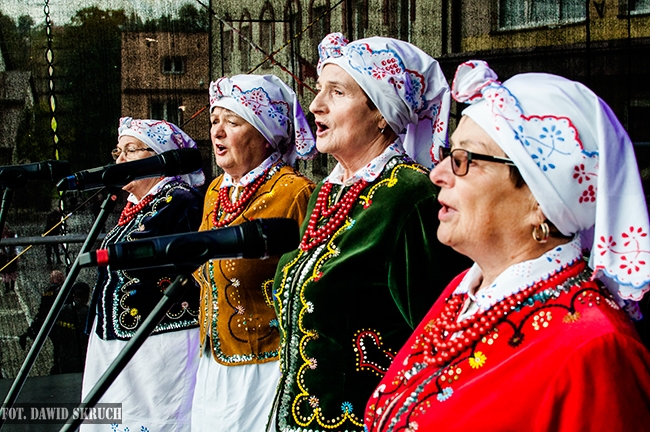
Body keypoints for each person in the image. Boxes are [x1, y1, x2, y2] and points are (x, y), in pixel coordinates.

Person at [365, 61, 650, 431]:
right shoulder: (465, 290)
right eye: (450, 154)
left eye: (464, 159)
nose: (437, 174)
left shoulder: (597, 349)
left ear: (540, 200)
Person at [271, 33, 471, 431]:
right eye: (319, 90)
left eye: (337, 92)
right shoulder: (327, 192)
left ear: (381, 112)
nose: (316, 104)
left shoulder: (411, 196)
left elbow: (439, 341)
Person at [191, 74, 316, 432]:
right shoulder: (216, 190)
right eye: (215, 120)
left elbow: (309, 285)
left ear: (265, 134)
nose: (217, 132)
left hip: (266, 366)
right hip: (213, 361)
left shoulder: (294, 192)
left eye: (233, 122)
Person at [81, 118, 205, 431]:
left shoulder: (181, 201)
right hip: (121, 338)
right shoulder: (139, 204)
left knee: (154, 418)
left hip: (160, 341)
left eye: (130, 150)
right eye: (118, 152)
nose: (119, 160)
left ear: (159, 156)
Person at [19, 270, 64, 352]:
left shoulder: (47, 290)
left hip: (45, 316)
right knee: (57, 342)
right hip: (54, 318)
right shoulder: (60, 290)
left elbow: (43, 303)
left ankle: (26, 335)